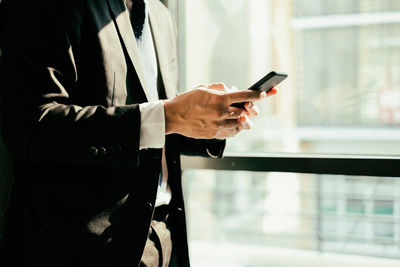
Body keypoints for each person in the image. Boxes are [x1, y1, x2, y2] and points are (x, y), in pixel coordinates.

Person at [0, 0, 277, 266]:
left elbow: (156, 127)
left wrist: (206, 121)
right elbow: (30, 125)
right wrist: (169, 116)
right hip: (78, 248)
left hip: (163, 238)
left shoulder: (160, 14)